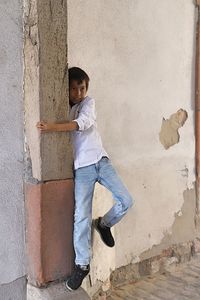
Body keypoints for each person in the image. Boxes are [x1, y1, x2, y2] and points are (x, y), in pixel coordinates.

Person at [37, 67, 133, 291]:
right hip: (82, 169)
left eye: (82, 88)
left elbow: (82, 124)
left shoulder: (88, 104)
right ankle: (82, 265)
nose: (78, 92)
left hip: (101, 160)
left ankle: (104, 223)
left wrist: (52, 128)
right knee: (80, 215)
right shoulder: (65, 109)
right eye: (73, 89)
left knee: (126, 200)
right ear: (67, 90)